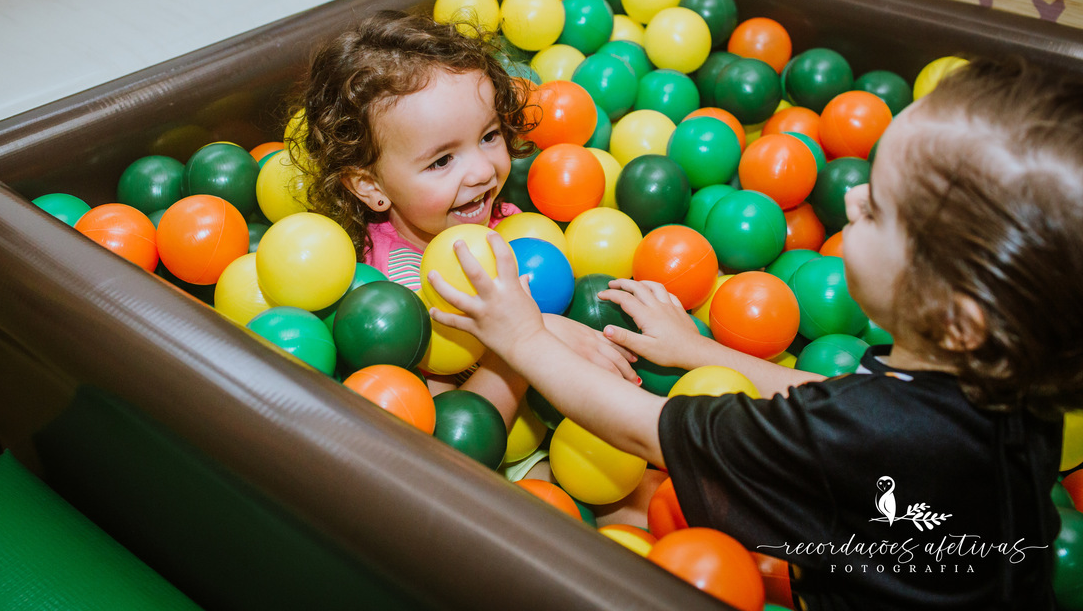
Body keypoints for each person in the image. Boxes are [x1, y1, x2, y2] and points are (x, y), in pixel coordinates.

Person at [427, 56, 1083, 610]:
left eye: (876, 209)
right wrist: (701, 351)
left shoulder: (864, 440)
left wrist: (522, 338)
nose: (851, 199)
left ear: (957, 318)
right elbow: (843, 403)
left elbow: (640, 426)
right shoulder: (1015, 376)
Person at [290, 10, 635, 432]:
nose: (481, 172)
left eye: (489, 136)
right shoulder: (401, 294)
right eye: (441, 161)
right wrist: (531, 339)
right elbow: (457, 430)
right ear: (370, 186)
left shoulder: (506, 218)